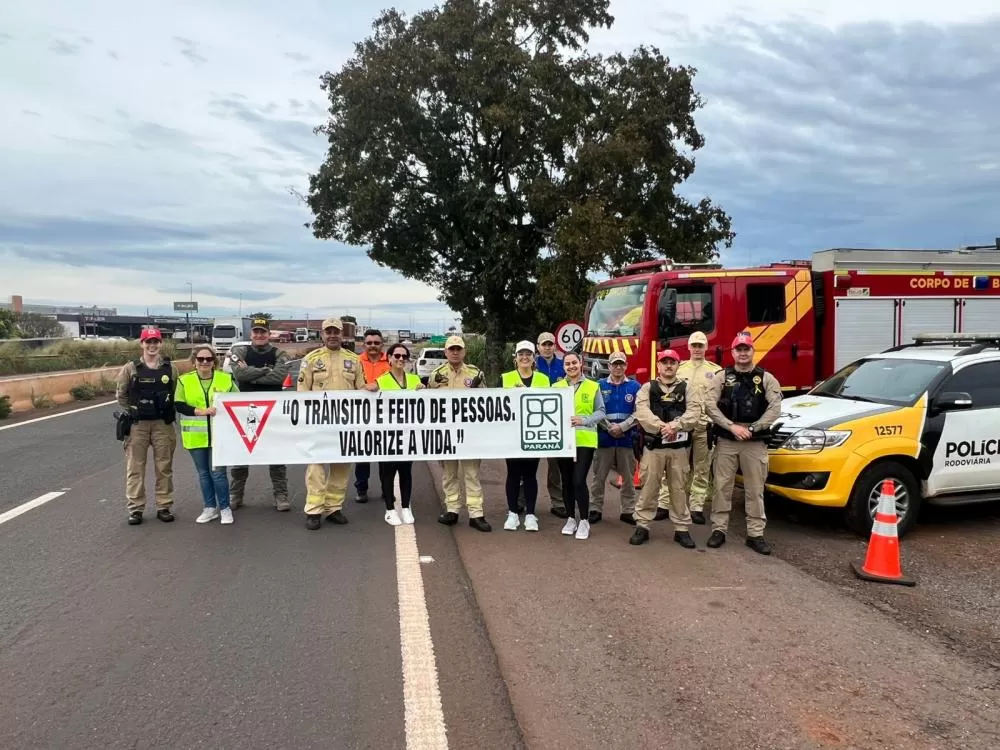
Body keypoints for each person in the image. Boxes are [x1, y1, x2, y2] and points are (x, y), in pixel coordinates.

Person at [704, 332, 783, 555]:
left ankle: (755, 534)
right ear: (733, 352)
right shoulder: (721, 377)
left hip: (754, 441)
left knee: (755, 489)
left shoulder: (766, 378)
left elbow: (775, 408)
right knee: (722, 487)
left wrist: (752, 428)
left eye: (746, 348)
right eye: (739, 349)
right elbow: (710, 405)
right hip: (727, 439)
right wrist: (731, 427)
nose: (743, 353)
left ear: (752, 350)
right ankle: (719, 530)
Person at [297, 318, 367, 530]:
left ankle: (333, 507)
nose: (332, 335)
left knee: (341, 467)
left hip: (345, 424)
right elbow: (302, 392)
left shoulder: (353, 360)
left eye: (336, 331)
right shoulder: (311, 359)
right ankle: (314, 509)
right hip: (318, 424)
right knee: (316, 467)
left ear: (341, 334)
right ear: (322, 335)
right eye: (328, 332)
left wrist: (370, 389)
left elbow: (361, 388)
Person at [629, 350, 702, 548]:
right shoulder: (647, 388)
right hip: (654, 448)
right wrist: (663, 427)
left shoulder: (688, 388)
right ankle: (642, 525)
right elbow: (642, 412)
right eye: (664, 362)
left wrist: (676, 425)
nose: (668, 366)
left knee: (678, 488)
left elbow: (695, 412)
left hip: (679, 449)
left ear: (678, 365)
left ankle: (681, 529)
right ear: (658, 366)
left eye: (672, 362)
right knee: (649, 487)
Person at [115, 327, 179, 525]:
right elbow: (121, 395)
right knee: (135, 468)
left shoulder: (170, 368)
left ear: (161, 344)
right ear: (141, 344)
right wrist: (132, 412)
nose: (152, 345)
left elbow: (175, 392)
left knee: (164, 467)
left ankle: (164, 505)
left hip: (162, 424)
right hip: (138, 425)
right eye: (148, 342)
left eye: (155, 342)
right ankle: (135, 509)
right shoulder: (130, 368)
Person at [227, 317, 292, 511]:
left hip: (273, 412)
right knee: (241, 455)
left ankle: (281, 495)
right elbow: (239, 375)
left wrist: (252, 375)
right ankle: (235, 494)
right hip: (245, 411)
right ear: (251, 334)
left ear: (269, 334)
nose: (259, 335)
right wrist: (265, 371)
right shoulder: (240, 351)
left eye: (263, 332)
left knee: (277, 457)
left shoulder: (280, 353)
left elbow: (279, 376)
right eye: (256, 331)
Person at [428, 335, 491, 532]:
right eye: (451, 349)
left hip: (469, 433)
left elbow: (487, 400)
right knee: (449, 474)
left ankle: (476, 513)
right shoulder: (436, 375)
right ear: (445, 352)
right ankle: (452, 509)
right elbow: (428, 403)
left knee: (472, 474)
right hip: (446, 433)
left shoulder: (476, 374)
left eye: (458, 349)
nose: (455, 352)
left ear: (464, 351)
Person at [174, 344, 240, 524]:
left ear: (214, 362)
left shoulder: (225, 379)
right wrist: (200, 411)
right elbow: (179, 404)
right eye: (200, 359)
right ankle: (209, 508)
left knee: (218, 474)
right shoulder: (184, 380)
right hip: (195, 437)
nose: (204, 362)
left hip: (219, 436)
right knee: (203, 473)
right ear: (194, 361)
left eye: (208, 359)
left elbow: (238, 401)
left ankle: (225, 508)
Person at [553, 352, 606, 540]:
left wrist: (584, 420)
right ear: (564, 367)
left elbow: (601, 412)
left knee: (578, 480)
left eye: (574, 362)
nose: (571, 366)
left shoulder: (593, 386)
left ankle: (584, 520)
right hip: (563, 442)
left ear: (581, 363)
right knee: (566, 481)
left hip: (585, 440)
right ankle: (570, 518)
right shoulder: (556, 387)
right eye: (567, 364)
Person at [501, 340, 551, 532]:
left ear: (533, 358)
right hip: (512, 434)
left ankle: (531, 514)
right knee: (513, 473)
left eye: (528, 354)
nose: (524, 357)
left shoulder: (543, 380)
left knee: (530, 474)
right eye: (521, 354)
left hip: (534, 434)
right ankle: (512, 513)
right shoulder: (506, 378)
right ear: (516, 358)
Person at [373, 342, 424, 526]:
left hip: (408, 435)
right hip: (388, 436)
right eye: (397, 356)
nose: (401, 359)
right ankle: (389, 509)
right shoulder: (381, 381)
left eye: (404, 356)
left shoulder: (413, 380)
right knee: (388, 472)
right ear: (389, 358)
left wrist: (423, 392)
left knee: (406, 472)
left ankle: (405, 506)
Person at [589, 351, 641, 525]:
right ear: (609, 366)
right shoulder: (598, 386)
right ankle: (595, 509)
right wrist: (609, 427)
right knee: (599, 477)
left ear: (626, 365)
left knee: (628, 477)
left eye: (621, 364)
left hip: (626, 439)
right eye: (614, 364)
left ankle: (628, 510)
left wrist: (623, 427)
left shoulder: (635, 386)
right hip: (605, 438)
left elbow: (639, 412)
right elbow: (594, 410)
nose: (618, 367)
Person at [676, 330, 722, 524]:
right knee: (676, 467)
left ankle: (696, 507)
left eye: (700, 345)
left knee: (702, 469)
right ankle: (667, 503)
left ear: (706, 347)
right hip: (682, 426)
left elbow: (721, 399)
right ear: (688, 347)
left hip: (704, 427)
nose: (697, 349)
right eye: (694, 345)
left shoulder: (717, 371)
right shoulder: (679, 369)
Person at [355, 328, 391, 503]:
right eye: (369, 343)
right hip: (362, 416)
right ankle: (361, 489)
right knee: (362, 455)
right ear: (364, 344)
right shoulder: (355, 362)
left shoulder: (391, 361)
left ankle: (386, 489)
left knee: (386, 457)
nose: (373, 346)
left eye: (376, 343)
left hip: (386, 416)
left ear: (382, 344)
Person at [534, 332, 566, 518]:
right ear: (538, 346)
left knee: (555, 466)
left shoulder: (563, 366)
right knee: (527, 465)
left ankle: (558, 502)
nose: (547, 347)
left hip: (555, 423)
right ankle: (522, 501)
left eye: (550, 344)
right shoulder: (530, 363)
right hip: (533, 422)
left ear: (555, 346)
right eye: (543, 344)